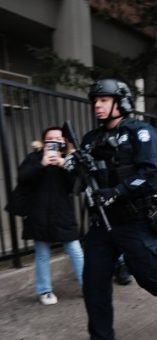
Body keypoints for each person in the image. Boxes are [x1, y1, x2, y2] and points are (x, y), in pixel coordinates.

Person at [76, 79, 157, 339]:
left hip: (134, 221)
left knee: (148, 276)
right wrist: (75, 169)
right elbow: (79, 183)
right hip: (101, 223)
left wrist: (116, 192)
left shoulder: (141, 132)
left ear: (120, 102)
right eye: (95, 101)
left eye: (103, 100)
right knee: (94, 285)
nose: (97, 105)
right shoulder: (90, 139)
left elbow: (151, 175)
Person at [17, 126, 84, 305]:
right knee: (42, 254)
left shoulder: (68, 160)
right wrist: (42, 164)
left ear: (63, 142)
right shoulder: (34, 158)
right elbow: (23, 178)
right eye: (50, 139)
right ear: (44, 142)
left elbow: (77, 186)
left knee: (76, 251)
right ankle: (45, 290)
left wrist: (65, 165)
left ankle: (87, 286)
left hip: (63, 213)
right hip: (39, 213)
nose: (54, 141)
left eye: (58, 138)